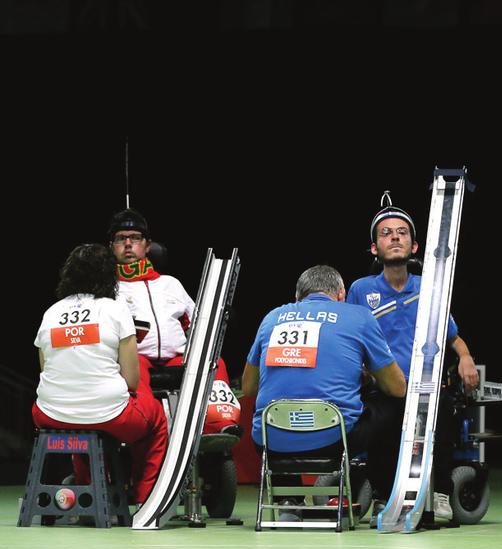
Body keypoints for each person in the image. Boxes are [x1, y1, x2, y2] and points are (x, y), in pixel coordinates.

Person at [345, 192, 479, 513]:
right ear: (375, 248)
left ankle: (441, 492)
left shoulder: (429, 286)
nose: (395, 237)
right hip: (384, 387)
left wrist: (465, 357)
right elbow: (349, 339)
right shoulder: (361, 289)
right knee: (382, 422)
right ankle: (381, 494)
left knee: (441, 417)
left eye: (402, 233)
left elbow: (452, 336)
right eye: (386, 233)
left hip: (427, 387)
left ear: (414, 247)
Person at [241, 265, 406, 516]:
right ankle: (383, 496)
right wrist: (364, 378)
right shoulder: (359, 316)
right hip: (334, 438)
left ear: (297, 297)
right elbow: (397, 387)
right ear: (341, 294)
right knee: (393, 403)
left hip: (272, 441)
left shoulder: (272, 318)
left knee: (264, 407)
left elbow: (248, 386)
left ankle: (288, 501)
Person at [32, 243, 168, 504]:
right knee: (157, 422)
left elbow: (45, 369)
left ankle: (88, 494)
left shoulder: (50, 313)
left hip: (49, 414)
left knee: (82, 424)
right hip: (109, 416)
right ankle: (145, 499)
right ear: (109, 275)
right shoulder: (116, 309)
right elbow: (131, 379)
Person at [108, 208, 240, 435]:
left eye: (135, 238)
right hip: (136, 358)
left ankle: (220, 425)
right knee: (133, 367)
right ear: (112, 247)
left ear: (147, 245)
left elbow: (197, 323)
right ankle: (146, 426)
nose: (128, 244)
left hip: (176, 358)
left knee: (213, 361)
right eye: (121, 239)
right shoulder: (109, 289)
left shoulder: (170, 284)